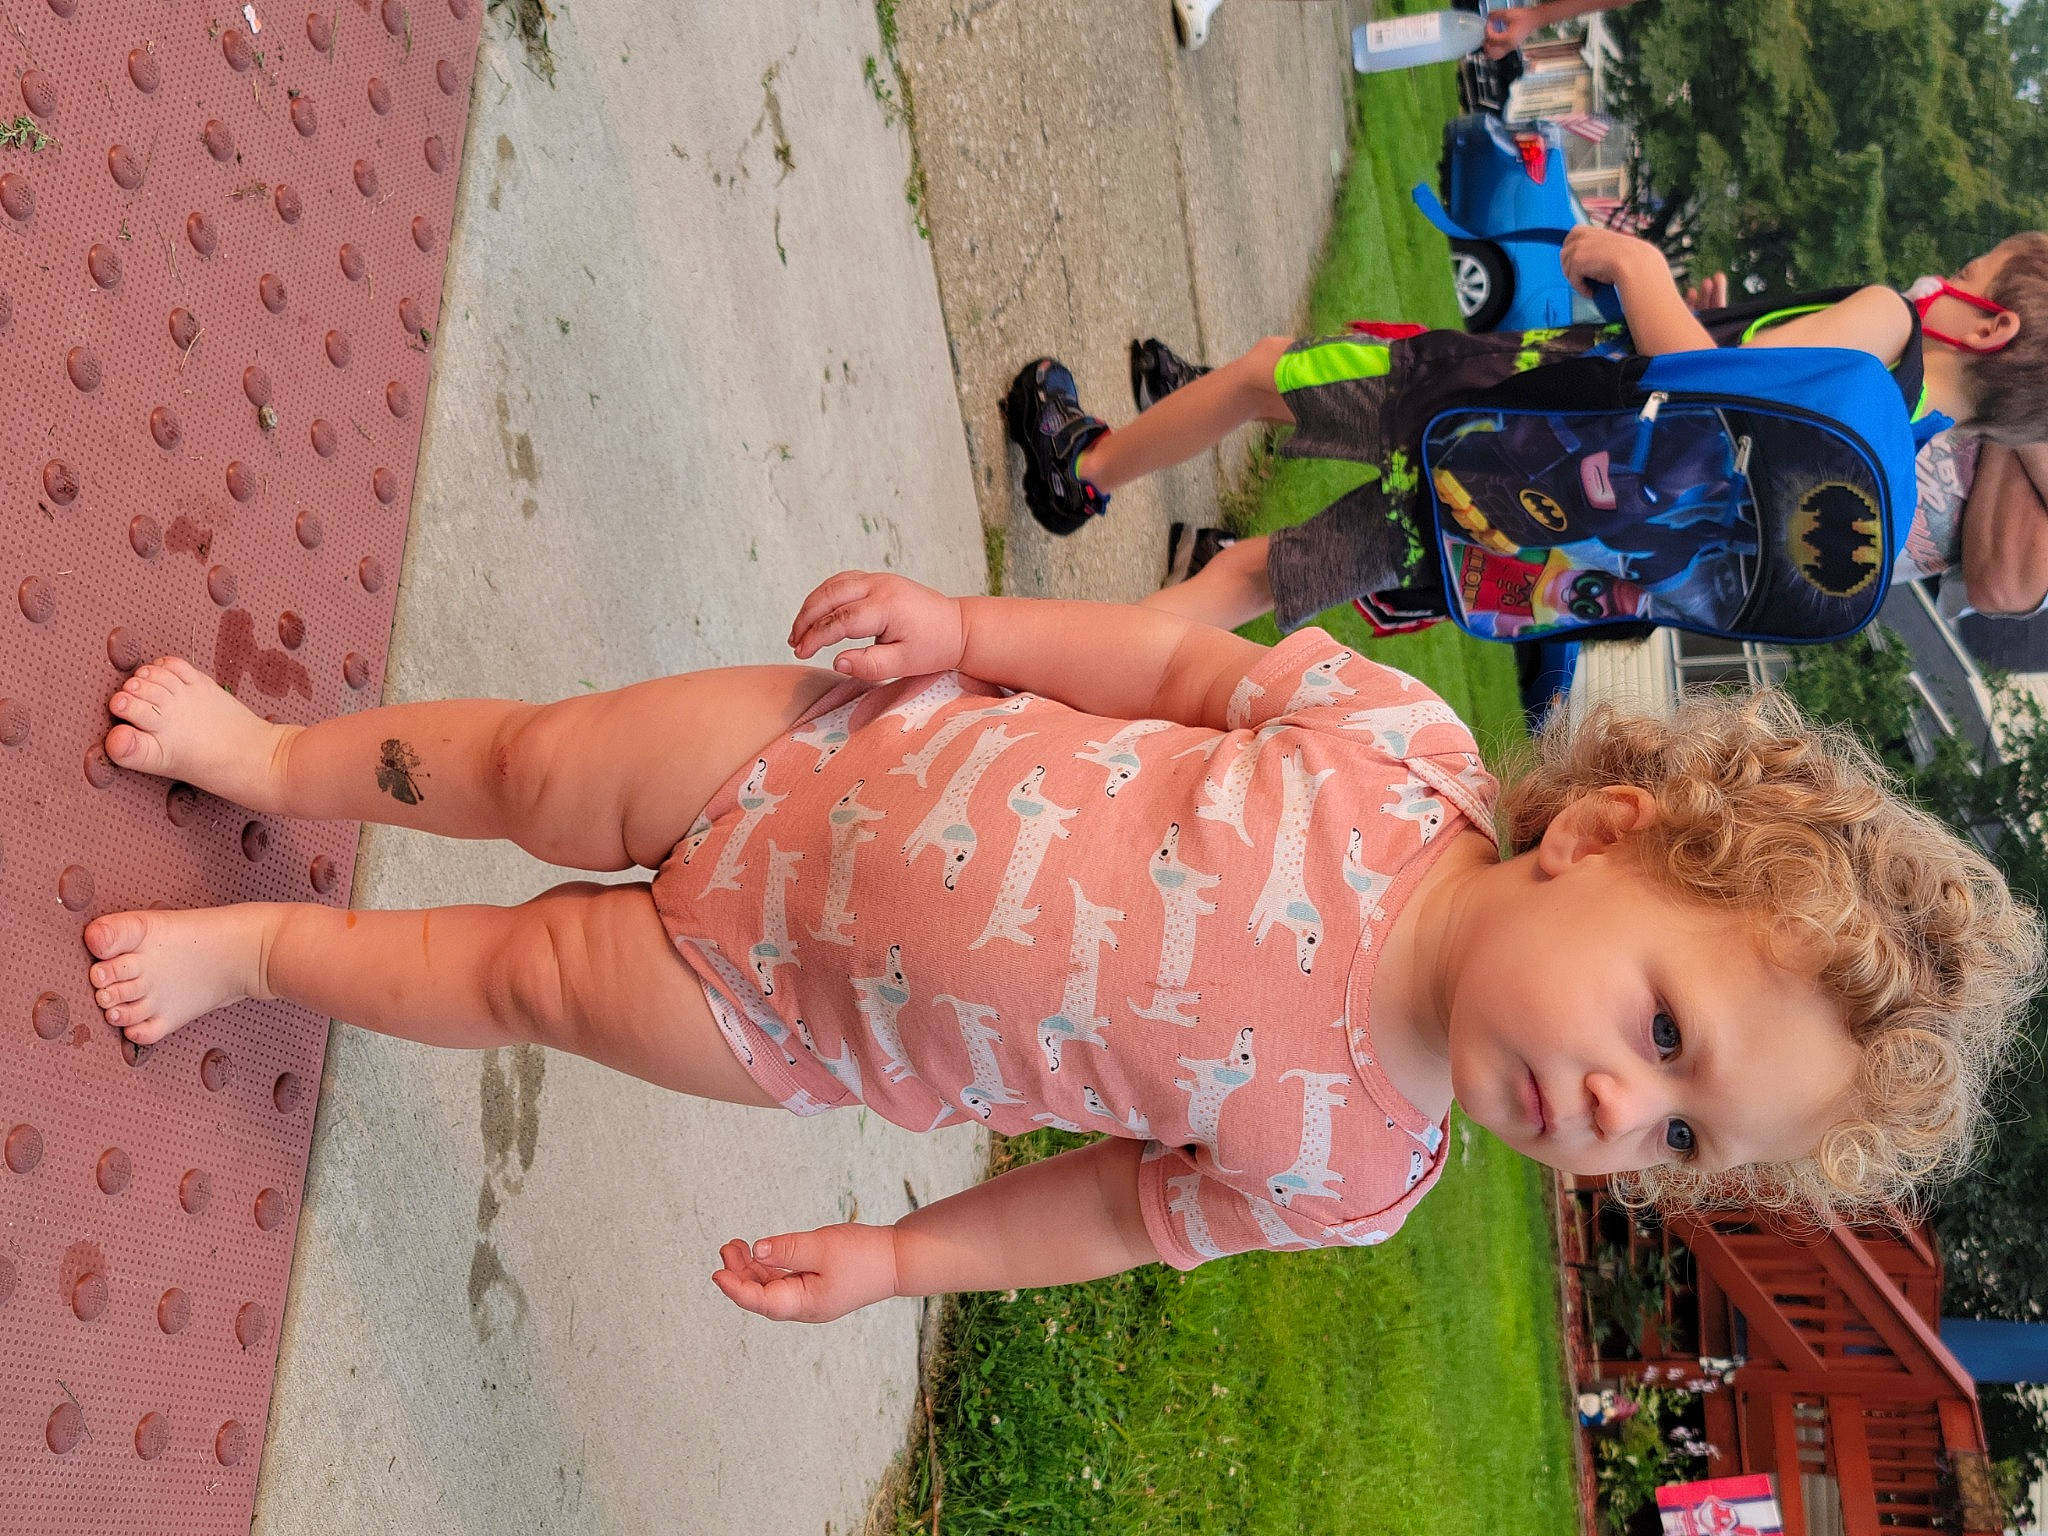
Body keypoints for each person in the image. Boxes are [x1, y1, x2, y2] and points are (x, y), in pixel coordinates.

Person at [80, 573, 2039, 1321]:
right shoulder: (1398, 753)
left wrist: (905, 1260)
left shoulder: (1357, 1173)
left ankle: (260, 951)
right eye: (1668, 1027)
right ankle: (275, 756)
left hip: (782, 1018)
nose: (1624, 1109)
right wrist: (970, 633)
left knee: (511, 980)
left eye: (1681, 1143)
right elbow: (1182, 667)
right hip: (823, 757)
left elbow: (1108, 1211)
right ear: (1602, 837)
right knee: (520, 766)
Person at [1007, 233, 2048, 635]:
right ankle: (1060, 679)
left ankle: (1082, 468)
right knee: (1249, 577)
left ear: (1984, 321)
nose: (1946, 272)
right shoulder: (1896, 479)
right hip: (1515, 535)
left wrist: (1635, 268)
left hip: (1505, 406)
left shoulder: (1886, 327)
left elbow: (1695, 368)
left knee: (1260, 375)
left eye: (1977, 267)